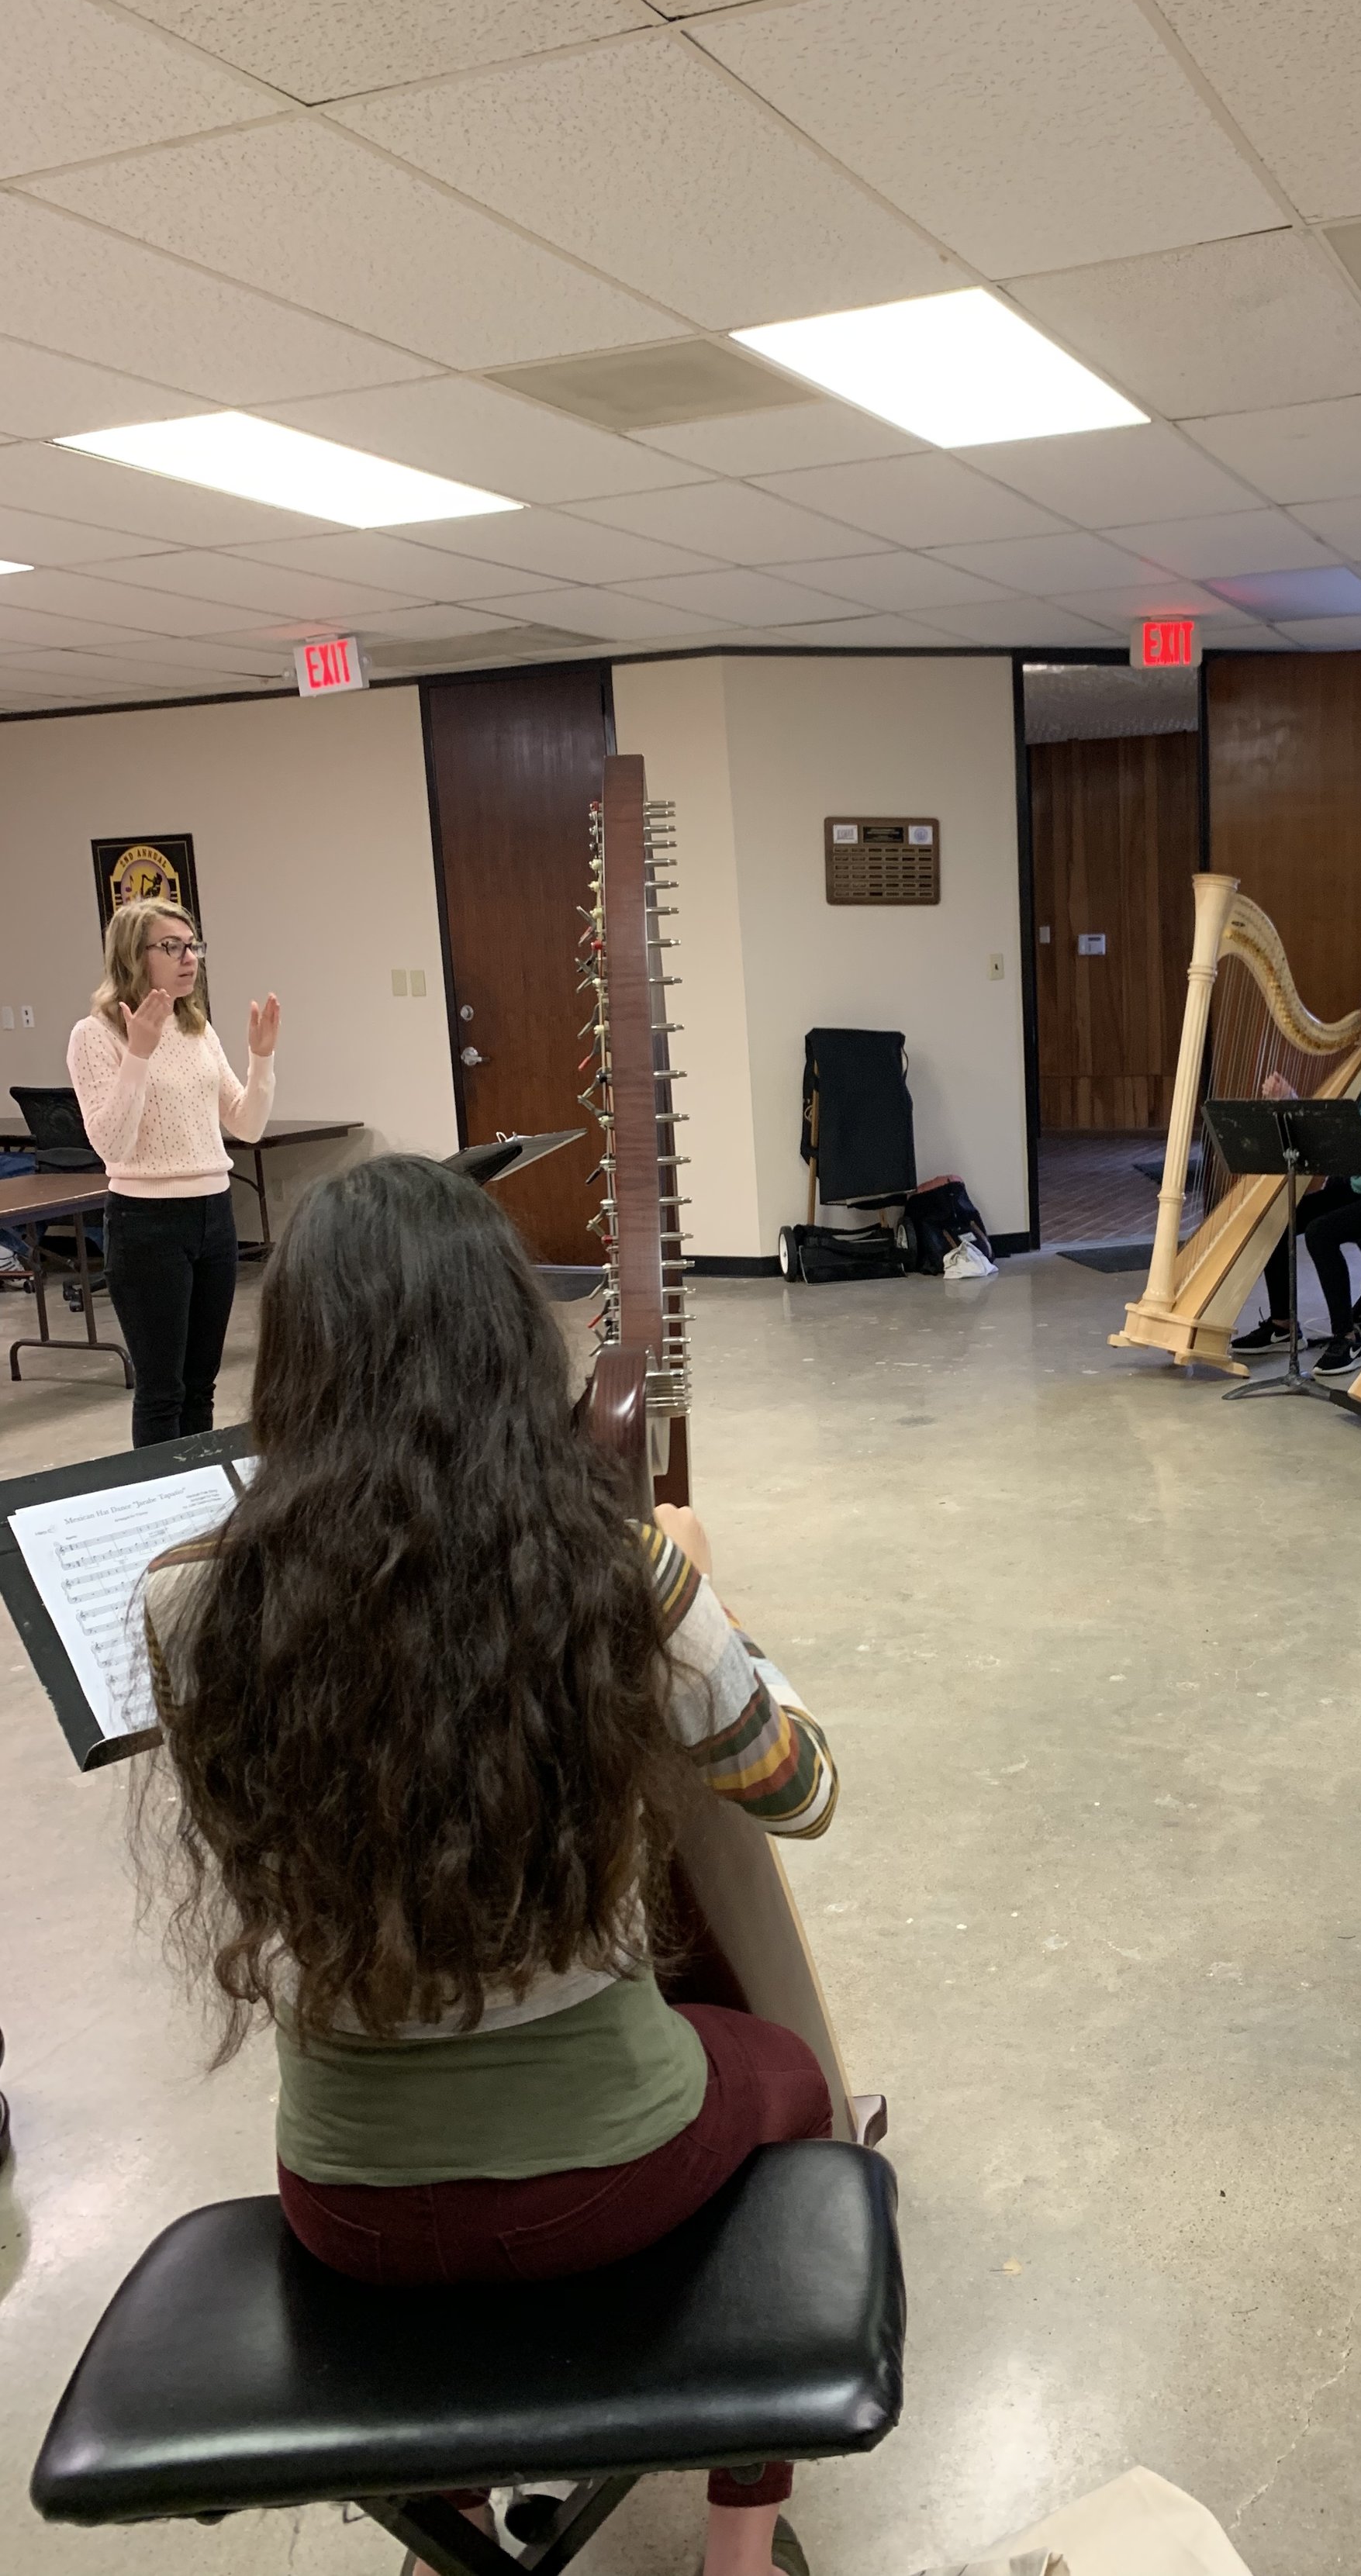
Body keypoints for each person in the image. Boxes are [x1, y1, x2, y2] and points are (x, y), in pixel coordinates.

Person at [136, 1156, 834, 2576]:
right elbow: (800, 1790)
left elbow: (259, 1855)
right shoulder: (622, 1571)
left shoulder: (191, 1597)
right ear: (512, 1342)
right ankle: (740, 2555)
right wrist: (720, 1611)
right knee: (797, 2080)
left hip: (343, 2203)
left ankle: (446, 2526)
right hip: (615, 2167)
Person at [67, 898, 279, 1446]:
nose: (190, 958)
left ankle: (201, 1499)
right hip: (146, 1224)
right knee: (163, 1389)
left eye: (193, 946)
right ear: (134, 956)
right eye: (173, 946)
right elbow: (112, 1140)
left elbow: (248, 1125)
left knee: (201, 1384)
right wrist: (138, 1053)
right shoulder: (95, 1035)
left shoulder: (197, 1030)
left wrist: (261, 1059)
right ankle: (163, 1507)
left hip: (213, 1215)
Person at [1234, 979, 1361, 1376]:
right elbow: (1332, 1127)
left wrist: (1334, 1145)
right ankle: (1282, 1325)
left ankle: (1346, 1339)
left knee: (1321, 1232)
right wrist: (1292, 1101)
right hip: (1358, 1187)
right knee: (1278, 1219)